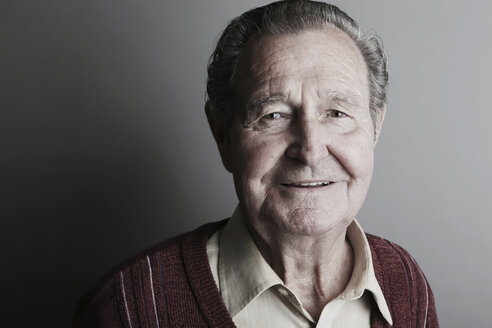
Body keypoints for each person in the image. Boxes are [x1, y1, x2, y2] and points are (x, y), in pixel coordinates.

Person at [75, 1, 439, 327]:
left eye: (337, 113)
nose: (310, 150)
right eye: (274, 115)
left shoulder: (405, 285)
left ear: (375, 128)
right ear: (223, 137)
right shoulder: (125, 311)